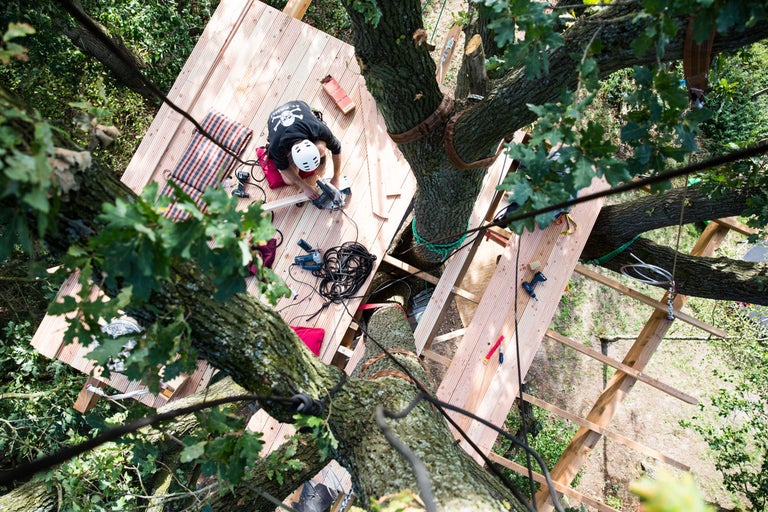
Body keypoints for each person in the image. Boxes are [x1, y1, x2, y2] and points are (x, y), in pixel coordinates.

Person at [267, 100, 343, 200]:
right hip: (274, 117)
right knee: (288, 180)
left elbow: (337, 149)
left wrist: (336, 177)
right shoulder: (276, 147)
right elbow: (284, 168)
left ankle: (318, 150)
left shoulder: (318, 128)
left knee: (321, 150)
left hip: (298, 104)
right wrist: (305, 187)